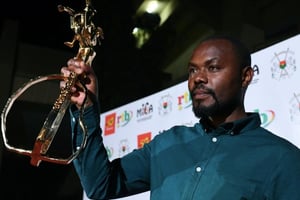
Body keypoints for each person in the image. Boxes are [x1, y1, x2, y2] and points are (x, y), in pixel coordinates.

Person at [61, 35, 300, 200]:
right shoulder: (168, 143)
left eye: (213, 68)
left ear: (246, 76)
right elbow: (100, 184)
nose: (198, 78)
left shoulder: (282, 159)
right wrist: (86, 107)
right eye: (193, 70)